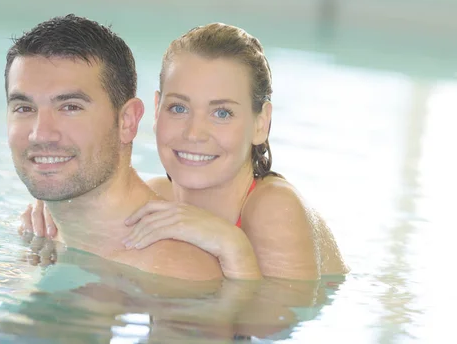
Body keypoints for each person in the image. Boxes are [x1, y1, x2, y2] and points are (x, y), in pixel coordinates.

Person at [20, 21, 349, 281]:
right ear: (155, 108)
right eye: (178, 108)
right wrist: (59, 211)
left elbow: (274, 327)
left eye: (222, 113)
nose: (194, 132)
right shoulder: (157, 195)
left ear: (261, 124)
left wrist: (231, 245)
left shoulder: (273, 209)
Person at [5, 14, 260, 281]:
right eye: (24, 108)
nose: (40, 134)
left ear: (127, 121)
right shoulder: (35, 233)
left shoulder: (174, 271)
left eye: (70, 107)